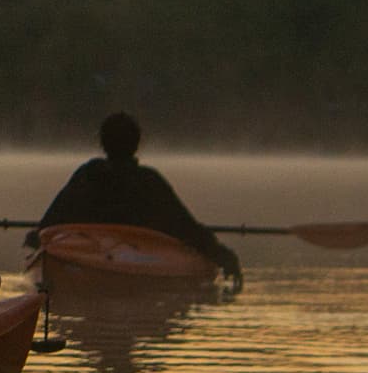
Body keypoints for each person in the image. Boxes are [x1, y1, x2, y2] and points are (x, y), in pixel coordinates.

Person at [39, 112, 238, 281]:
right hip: (137, 256)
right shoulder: (149, 181)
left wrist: (34, 239)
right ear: (136, 144)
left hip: (95, 254)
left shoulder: (88, 175)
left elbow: (49, 223)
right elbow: (185, 227)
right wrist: (222, 255)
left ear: (102, 143)